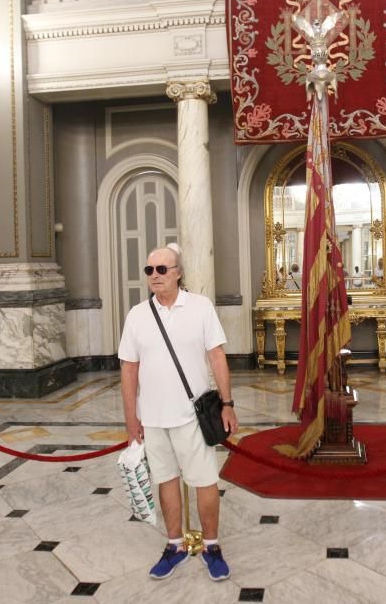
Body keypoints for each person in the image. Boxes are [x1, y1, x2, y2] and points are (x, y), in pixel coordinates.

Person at [119, 244, 239, 581]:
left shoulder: (200, 307)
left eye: (162, 269)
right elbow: (129, 369)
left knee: (204, 481)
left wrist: (227, 404)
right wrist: (131, 416)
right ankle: (175, 545)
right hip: (153, 418)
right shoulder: (137, 315)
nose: (154, 276)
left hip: (192, 416)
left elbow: (217, 357)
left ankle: (212, 546)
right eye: (149, 270)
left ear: (178, 272)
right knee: (165, 481)